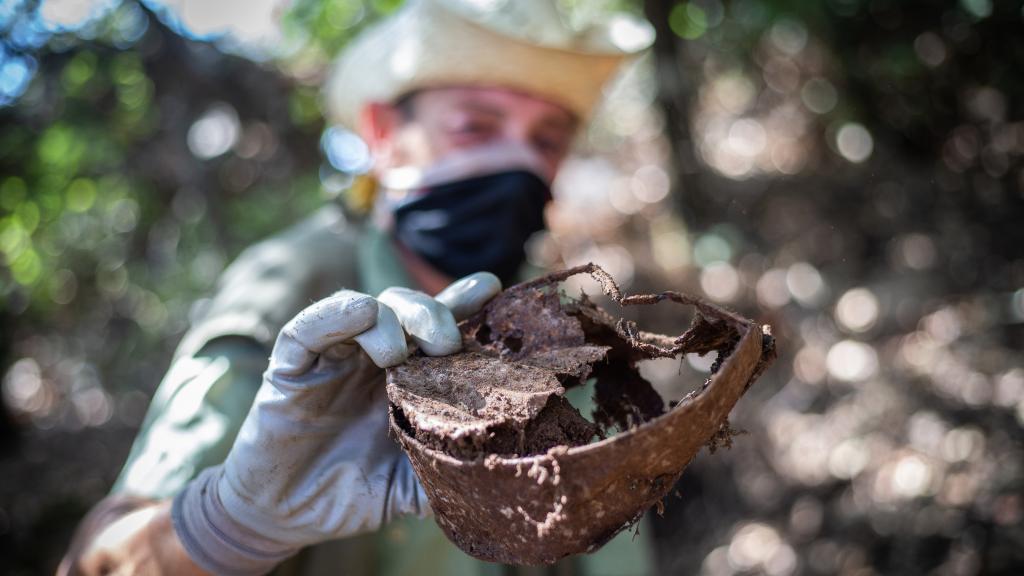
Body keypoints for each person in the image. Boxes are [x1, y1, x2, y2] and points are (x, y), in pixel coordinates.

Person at [60, 0, 655, 574]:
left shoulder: (554, 327)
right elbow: (102, 557)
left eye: (546, 141)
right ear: (384, 136)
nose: (519, 161)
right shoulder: (291, 289)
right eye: (475, 125)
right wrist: (231, 525)